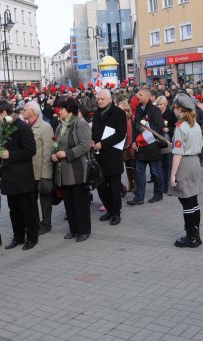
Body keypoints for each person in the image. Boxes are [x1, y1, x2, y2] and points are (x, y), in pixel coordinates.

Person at [0, 100, 39, 250]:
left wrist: (10, 154)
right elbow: (2, 151)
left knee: (28, 209)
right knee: (14, 210)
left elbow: (31, 150)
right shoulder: (5, 127)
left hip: (22, 177)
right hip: (9, 176)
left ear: (5, 113)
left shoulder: (22, 127)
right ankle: (18, 237)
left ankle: (32, 238)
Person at [51, 97, 92, 242]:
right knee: (68, 203)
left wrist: (66, 154)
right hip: (63, 171)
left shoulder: (80, 124)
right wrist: (54, 155)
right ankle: (73, 229)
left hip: (77, 169)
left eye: (61, 108)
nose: (58, 111)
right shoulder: (59, 126)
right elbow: (56, 144)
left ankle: (84, 230)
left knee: (80, 202)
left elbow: (85, 145)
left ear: (69, 110)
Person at [169, 94, 203, 248]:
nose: (174, 111)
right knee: (193, 201)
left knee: (186, 202)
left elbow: (177, 154)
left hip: (185, 163)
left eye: (175, 108)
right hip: (195, 161)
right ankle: (195, 233)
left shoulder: (180, 127)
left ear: (180, 109)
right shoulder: (195, 125)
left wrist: (173, 174)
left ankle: (191, 237)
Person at [91, 90, 127, 226]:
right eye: (98, 99)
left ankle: (116, 212)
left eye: (102, 99)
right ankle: (109, 209)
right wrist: (93, 141)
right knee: (100, 186)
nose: (99, 101)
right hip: (99, 156)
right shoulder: (96, 113)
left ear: (110, 99)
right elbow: (94, 131)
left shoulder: (118, 113)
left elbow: (121, 134)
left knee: (114, 186)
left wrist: (103, 144)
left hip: (112, 155)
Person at [128, 87, 165, 206]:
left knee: (156, 172)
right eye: (137, 95)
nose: (137, 97)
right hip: (141, 147)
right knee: (139, 173)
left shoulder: (154, 110)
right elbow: (135, 127)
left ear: (147, 97)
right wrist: (134, 140)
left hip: (152, 146)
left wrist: (146, 133)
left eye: (140, 95)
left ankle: (158, 194)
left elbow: (159, 127)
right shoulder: (138, 109)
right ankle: (139, 197)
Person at [23, 101, 54, 234]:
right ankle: (34, 223)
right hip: (30, 170)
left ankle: (46, 224)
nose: (23, 112)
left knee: (45, 198)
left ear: (33, 112)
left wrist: (46, 173)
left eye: (25, 110)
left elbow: (48, 151)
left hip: (41, 170)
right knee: (31, 199)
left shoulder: (45, 127)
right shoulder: (27, 126)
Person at [156, 96, 177, 193]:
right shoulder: (156, 114)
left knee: (169, 165)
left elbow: (176, 127)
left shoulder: (170, 114)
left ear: (165, 105)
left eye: (161, 104)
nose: (159, 106)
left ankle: (169, 187)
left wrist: (169, 129)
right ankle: (163, 186)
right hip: (158, 142)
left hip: (168, 142)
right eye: (158, 104)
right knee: (161, 166)